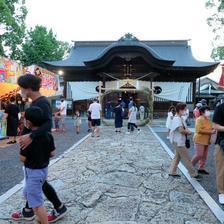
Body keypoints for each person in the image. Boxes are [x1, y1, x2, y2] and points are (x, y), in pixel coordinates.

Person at [12, 74, 67, 222]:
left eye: (22, 87)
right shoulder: (34, 102)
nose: (20, 90)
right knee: (37, 181)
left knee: (36, 181)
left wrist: (31, 136)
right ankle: (31, 210)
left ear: (28, 88)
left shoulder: (42, 103)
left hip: (36, 148)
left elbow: (48, 124)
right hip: (35, 148)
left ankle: (49, 208)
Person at [20, 107, 56, 224]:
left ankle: (43, 220)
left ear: (28, 122)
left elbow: (22, 158)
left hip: (33, 173)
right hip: (43, 171)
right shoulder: (48, 135)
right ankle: (39, 219)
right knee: (27, 193)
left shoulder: (26, 139)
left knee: (36, 204)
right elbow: (52, 153)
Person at [169, 103, 201, 179]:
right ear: (180, 110)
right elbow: (181, 130)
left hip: (178, 141)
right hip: (178, 141)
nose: (186, 111)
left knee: (177, 157)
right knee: (186, 158)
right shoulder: (177, 119)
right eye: (184, 109)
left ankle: (172, 171)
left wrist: (187, 130)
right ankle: (193, 174)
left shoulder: (180, 118)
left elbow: (184, 128)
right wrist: (188, 132)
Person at [191, 106, 215, 175]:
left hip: (206, 140)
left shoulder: (208, 119)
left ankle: (201, 168)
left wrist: (214, 129)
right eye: (207, 110)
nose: (208, 112)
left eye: (209, 110)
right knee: (199, 155)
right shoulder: (199, 119)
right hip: (199, 139)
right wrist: (210, 132)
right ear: (202, 112)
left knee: (204, 156)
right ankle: (190, 167)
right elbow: (199, 130)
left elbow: (212, 127)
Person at [212, 101, 224, 204]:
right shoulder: (220, 108)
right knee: (221, 169)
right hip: (221, 143)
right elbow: (215, 126)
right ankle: (221, 192)